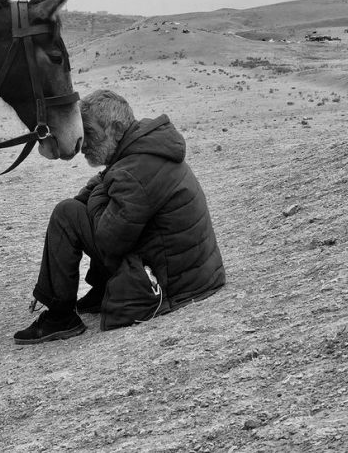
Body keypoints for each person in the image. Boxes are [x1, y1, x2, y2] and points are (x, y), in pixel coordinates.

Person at [13, 89, 225, 344]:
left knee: (66, 214)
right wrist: (99, 191)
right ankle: (102, 290)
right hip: (192, 274)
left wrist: (98, 193)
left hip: (173, 285)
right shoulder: (143, 151)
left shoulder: (134, 171)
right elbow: (102, 193)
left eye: (90, 133)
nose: (83, 145)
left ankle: (60, 316)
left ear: (115, 129)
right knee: (82, 211)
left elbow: (109, 240)